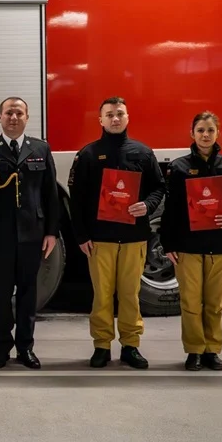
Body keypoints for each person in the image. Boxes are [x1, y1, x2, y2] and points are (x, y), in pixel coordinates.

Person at [68, 96, 165, 369]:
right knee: (101, 296)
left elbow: (159, 187)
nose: (115, 118)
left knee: (130, 295)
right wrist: (81, 236)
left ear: (127, 117)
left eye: (120, 113)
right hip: (100, 240)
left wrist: (148, 205)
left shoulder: (143, 153)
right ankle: (101, 346)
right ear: (100, 120)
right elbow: (76, 199)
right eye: (109, 114)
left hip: (134, 239)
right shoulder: (88, 155)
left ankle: (130, 346)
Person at [0, 97, 61, 369]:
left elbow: (50, 193)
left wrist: (51, 232)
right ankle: (2, 348)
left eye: (19, 113)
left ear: (27, 117)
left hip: (32, 234)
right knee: (0, 294)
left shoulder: (40, 148)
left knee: (28, 292)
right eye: (8, 112)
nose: (13, 117)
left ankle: (25, 348)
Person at [159, 111, 222, 371]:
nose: (205, 135)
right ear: (192, 133)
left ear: (217, 133)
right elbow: (170, 209)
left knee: (215, 304)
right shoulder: (179, 168)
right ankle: (194, 351)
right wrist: (168, 244)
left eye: (210, 130)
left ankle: (212, 351)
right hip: (188, 247)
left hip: (221, 247)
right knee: (190, 303)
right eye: (200, 130)